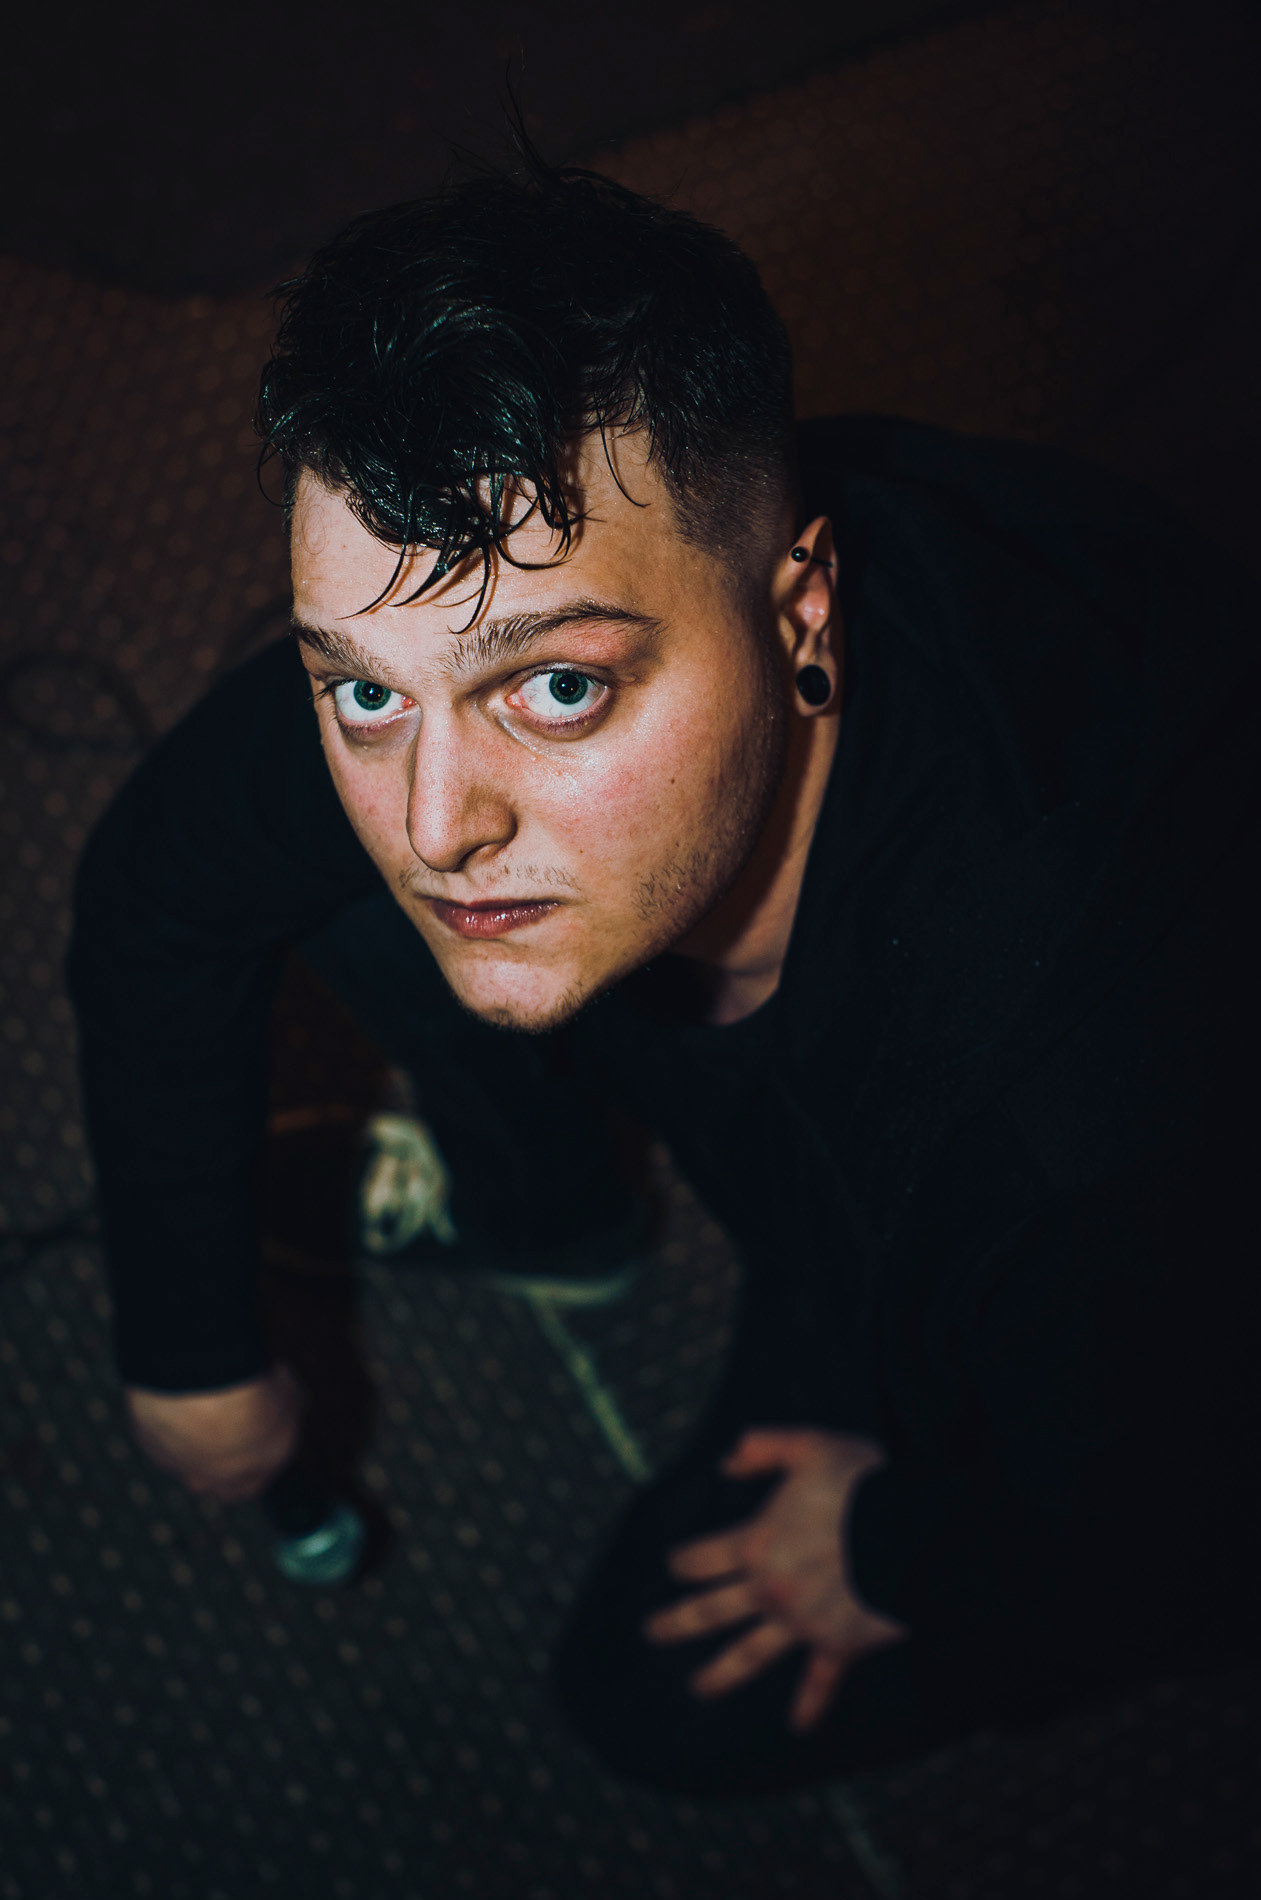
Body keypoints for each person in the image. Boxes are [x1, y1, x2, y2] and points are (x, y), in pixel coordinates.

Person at [67, 158, 1261, 1797]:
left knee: (647, 1697)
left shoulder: (1094, 1115)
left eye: (556, 688)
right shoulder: (565, 640)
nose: (437, 821)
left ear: (798, 614)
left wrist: (892, 1549)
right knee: (321, 879)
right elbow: (156, 888)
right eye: (361, 691)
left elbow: (1176, 1526)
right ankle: (556, 1212)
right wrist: (188, 1340)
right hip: (819, 1087)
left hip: (1003, 1263)